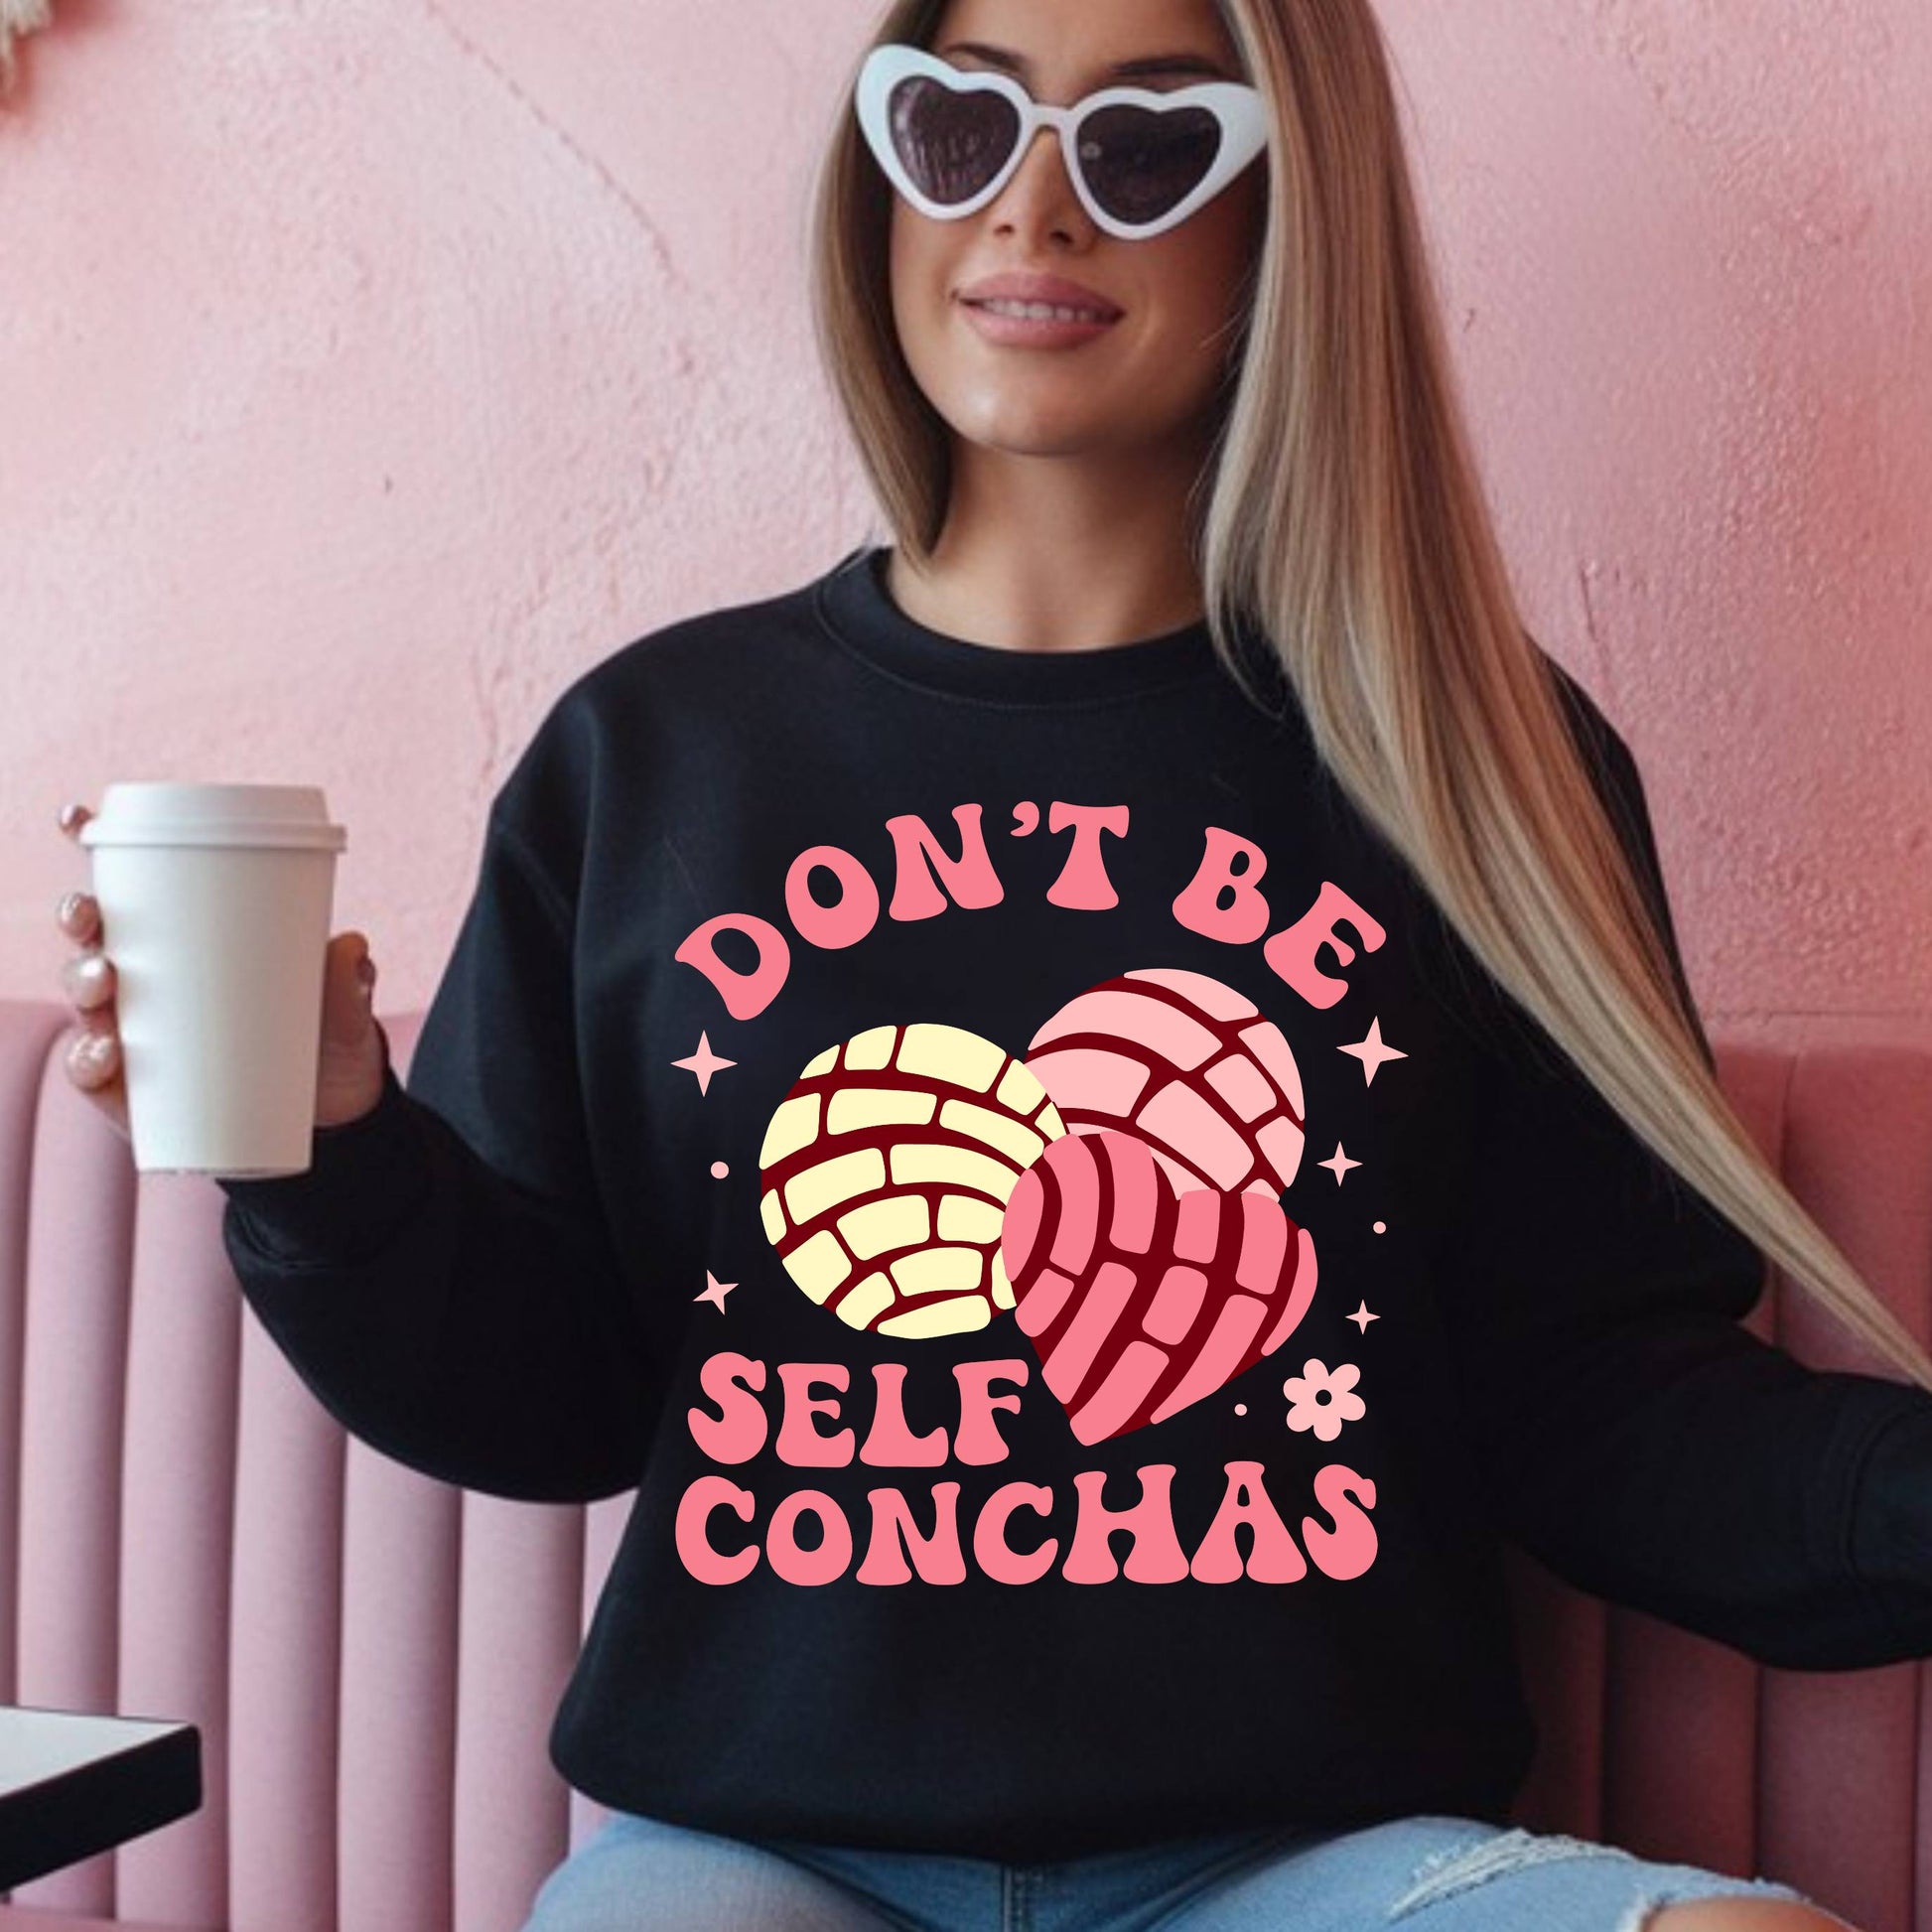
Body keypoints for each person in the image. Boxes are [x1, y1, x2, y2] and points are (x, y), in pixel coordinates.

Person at [53, 2, 1929, 1927]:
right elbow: (547, 1395)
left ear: (1288, 210)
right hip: (761, 1852)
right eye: (953, 126)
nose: (1033, 205)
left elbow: (1598, 1397)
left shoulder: (1478, 770)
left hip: (1299, 1858)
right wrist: (327, 1151)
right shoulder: (656, 752)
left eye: (1144, 146)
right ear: (876, 184)